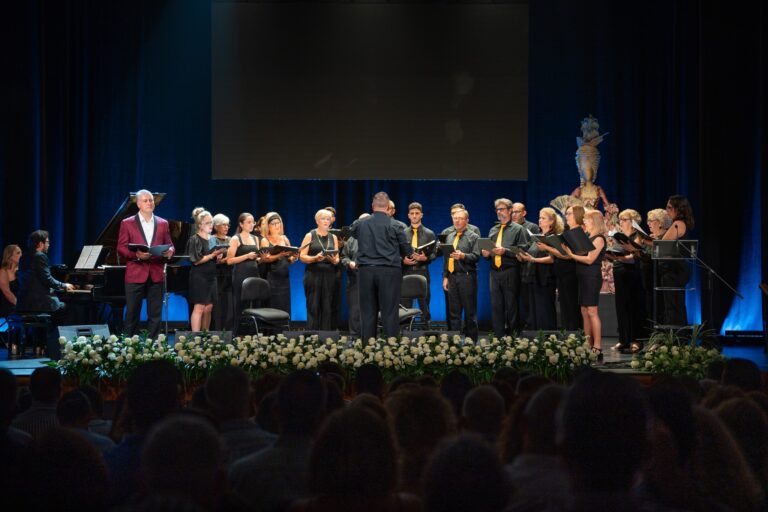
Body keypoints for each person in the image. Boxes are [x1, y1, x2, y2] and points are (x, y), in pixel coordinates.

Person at [350, 192, 413, 342]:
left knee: (367, 312)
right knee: (390, 312)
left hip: (366, 271)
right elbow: (406, 250)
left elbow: (352, 232)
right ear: (387, 207)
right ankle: (390, 350)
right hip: (389, 271)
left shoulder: (360, 223)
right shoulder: (396, 225)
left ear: (372, 206)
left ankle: (368, 348)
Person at [116, 190, 175, 339]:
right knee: (132, 313)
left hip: (156, 273)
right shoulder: (127, 223)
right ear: (138, 204)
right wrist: (136, 255)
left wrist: (170, 252)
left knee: (155, 314)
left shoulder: (163, 223)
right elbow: (121, 248)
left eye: (151, 200)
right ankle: (130, 346)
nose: (149, 203)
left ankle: (153, 346)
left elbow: (170, 245)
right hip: (135, 273)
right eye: (146, 200)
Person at [16, 230, 75, 356]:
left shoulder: (24, 257)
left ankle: (42, 345)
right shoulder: (40, 256)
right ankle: (55, 347)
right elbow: (47, 279)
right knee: (66, 309)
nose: (49, 245)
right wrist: (64, 285)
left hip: (24, 302)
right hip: (38, 302)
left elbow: (35, 280)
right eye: (47, 242)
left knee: (58, 309)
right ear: (40, 243)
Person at [481, 199, 529, 337]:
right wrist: (486, 253)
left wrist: (506, 251)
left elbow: (523, 250)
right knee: (496, 306)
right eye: (497, 209)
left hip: (510, 271)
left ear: (510, 211)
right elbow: (489, 250)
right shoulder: (493, 230)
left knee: (511, 306)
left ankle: (513, 338)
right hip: (494, 272)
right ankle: (498, 338)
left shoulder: (518, 229)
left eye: (501, 209)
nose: (499, 212)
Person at [564, 209, 607, 361]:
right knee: (584, 310)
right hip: (583, 277)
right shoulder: (589, 237)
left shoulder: (599, 238)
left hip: (591, 277)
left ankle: (597, 345)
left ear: (594, 221)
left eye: (587, 220)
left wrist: (571, 255)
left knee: (592, 311)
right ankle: (587, 343)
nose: (584, 223)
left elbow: (589, 259)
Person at [537, 205, 584, 330]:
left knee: (571, 305)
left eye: (569, 213)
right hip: (561, 273)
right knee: (564, 306)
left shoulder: (576, 233)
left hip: (571, 273)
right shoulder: (567, 232)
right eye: (566, 213)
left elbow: (568, 255)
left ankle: (574, 334)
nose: (566, 216)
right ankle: (567, 334)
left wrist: (547, 247)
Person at [609, 209, 647, 352]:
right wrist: (611, 256)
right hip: (619, 272)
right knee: (621, 307)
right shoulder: (618, 236)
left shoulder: (637, 235)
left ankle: (635, 340)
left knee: (632, 306)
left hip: (631, 273)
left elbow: (635, 255)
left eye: (624, 219)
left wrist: (620, 258)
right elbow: (615, 252)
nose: (621, 222)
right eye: (620, 219)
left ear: (633, 222)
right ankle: (623, 339)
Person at [518, 207, 560, 330]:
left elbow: (552, 258)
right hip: (534, 277)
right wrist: (522, 256)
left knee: (544, 308)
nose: (540, 220)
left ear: (551, 221)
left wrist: (533, 260)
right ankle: (536, 336)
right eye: (539, 217)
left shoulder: (553, 237)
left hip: (545, 279)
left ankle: (547, 336)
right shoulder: (537, 237)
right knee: (534, 309)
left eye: (543, 218)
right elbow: (533, 253)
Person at [441, 203, 481, 330]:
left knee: (470, 313)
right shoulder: (449, 236)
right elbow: (447, 259)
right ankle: (454, 343)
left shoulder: (473, 236)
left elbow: (476, 256)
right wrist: (446, 277)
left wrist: (463, 256)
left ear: (467, 221)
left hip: (467, 277)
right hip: (452, 277)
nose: (457, 221)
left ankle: (471, 344)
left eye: (460, 218)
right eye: (455, 218)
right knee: (453, 313)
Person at [300, 209, 341, 331]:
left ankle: (326, 337)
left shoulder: (333, 237)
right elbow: (302, 256)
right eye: (323, 218)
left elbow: (337, 258)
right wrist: (314, 258)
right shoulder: (310, 235)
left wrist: (335, 261)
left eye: (328, 219)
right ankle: (312, 337)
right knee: (313, 306)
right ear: (317, 220)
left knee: (328, 306)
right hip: (313, 274)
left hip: (329, 274)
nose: (326, 221)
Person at [186, 208, 225, 332]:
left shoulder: (213, 239)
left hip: (211, 276)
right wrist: (213, 255)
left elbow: (216, 259)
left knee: (209, 307)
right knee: (199, 307)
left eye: (211, 222)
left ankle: (205, 334)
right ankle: (195, 338)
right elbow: (196, 260)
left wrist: (219, 257)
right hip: (199, 277)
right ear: (200, 225)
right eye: (208, 223)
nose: (211, 225)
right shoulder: (195, 239)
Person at [660, 194, 695, 327]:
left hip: (674, 270)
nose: (666, 210)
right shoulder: (680, 223)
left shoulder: (677, 224)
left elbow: (663, 245)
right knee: (675, 303)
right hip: (676, 269)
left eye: (669, 207)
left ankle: (676, 338)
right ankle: (679, 338)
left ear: (678, 209)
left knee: (673, 305)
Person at [401, 202, 436, 328]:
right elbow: (396, 252)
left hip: (422, 271)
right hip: (406, 271)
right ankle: (404, 333)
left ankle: (426, 332)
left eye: (417, 213)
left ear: (421, 215)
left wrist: (425, 258)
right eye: (412, 214)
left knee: (424, 304)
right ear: (408, 216)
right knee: (405, 305)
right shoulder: (403, 233)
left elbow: (434, 254)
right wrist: (402, 260)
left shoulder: (429, 233)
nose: (414, 216)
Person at [260, 212, 297, 315]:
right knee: (273, 304)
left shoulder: (284, 238)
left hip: (284, 277)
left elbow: (289, 258)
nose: (277, 226)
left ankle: (284, 329)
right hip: (272, 276)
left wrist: (293, 258)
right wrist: (278, 256)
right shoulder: (265, 240)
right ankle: (272, 331)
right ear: (268, 226)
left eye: (278, 223)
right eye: (273, 224)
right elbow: (265, 259)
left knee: (284, 304)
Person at [227, 212, 261, 323]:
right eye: (249, 222)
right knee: (241, 304)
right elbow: (229, 260)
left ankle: (252, 333)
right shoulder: (235, 239)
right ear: (241, 224)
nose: (252, 225)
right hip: (241, 275)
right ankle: (240, 334)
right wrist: (247, 255)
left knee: (255, 303)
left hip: (254, 274)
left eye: (253, 222)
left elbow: (257, 259)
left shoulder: (256, 239)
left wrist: (261, 258)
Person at [341, 213, 369, 338]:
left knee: (371, 309)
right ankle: (354, 336)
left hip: (371, 278)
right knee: (355, 310)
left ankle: (371, 336)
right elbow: (343, 256)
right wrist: (349, 262)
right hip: (354, 278)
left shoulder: (377, 237)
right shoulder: (352, 239)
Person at [210, 213, 233, 330]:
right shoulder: (212, 239)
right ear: (216, 226)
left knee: (228, 305)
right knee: (217, 306)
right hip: (216, 276)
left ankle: (228, 331)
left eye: (227, 225)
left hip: (230, 275)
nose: (226, 227)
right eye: (223, 225)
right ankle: (216, 331)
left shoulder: (231, 239)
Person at [0, 245, 22, 355]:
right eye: (18, 253)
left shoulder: (21, 271)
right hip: (6, 304)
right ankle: (13, 343)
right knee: (16, 312)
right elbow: (7, 292)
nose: (21, 255)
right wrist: (20, 305)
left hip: (19, 302)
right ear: (10, 255)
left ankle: (40, 346)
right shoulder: (3, 271)